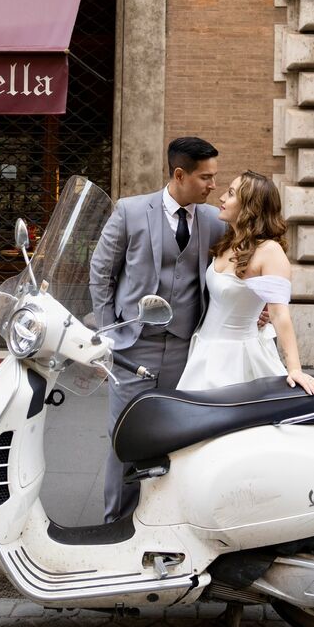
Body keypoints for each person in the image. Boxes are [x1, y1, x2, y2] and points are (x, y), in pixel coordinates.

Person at [89, 136, 226, 523]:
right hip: (133, 348)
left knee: (177, 439)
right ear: (179, 175)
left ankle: (164, 520)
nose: (213, 185)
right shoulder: (130, 212)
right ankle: (116, 523)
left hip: (185, 349)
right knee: (126, 438)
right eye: (206, 178)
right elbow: (101, 273)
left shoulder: (214, 221)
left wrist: (259, 304)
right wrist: (108, 333)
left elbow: (236, 268)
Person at [177, 170, 314, 395]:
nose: (222, 198)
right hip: (203, 350)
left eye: (231, 194)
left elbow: (279, 314)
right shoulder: (227, 243)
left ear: (250, 207)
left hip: (238, 358)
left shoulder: (269, 251)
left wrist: (295, 369)